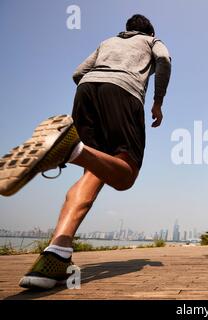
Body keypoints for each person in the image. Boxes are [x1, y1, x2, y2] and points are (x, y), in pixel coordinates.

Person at [0, 14, 171, 289]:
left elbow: (77, 73)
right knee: (125, 175)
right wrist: (158, 101)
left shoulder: (107, 42)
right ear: (149, 31)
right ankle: (72, 149)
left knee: (93, 172)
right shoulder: (152, 41)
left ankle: (55, 256)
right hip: (123, 93)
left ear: (126, 29)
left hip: (86, 90)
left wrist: (95, 87)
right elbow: (164, 60)